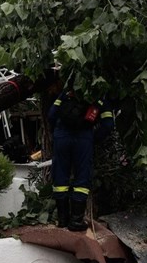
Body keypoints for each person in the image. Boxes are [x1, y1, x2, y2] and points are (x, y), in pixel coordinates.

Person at [48, 85, 114, 231]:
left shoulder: (67, 92)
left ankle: (62, 219)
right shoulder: (100, 96)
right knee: (82, 178)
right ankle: (76, 221)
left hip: (62, 136)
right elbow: (108, 124)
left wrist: (58, 132)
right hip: (84, 138)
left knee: (60, 177)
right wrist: (93, 139)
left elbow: (52, 114)